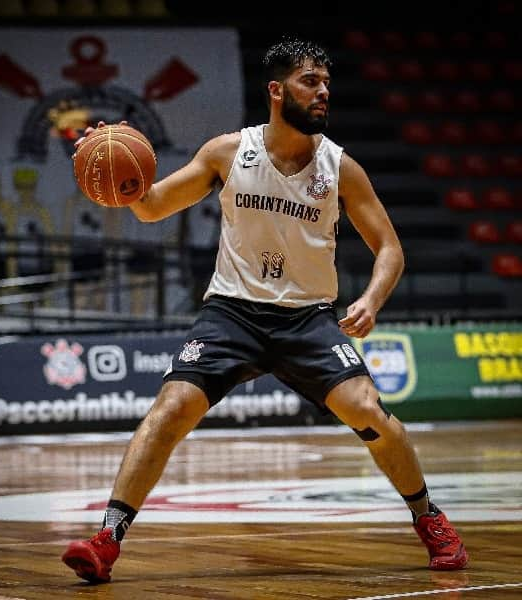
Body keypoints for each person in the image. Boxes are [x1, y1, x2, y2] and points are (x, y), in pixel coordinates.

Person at [62, 36, 468, 583]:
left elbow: (391, 248)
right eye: (310, 81)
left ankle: (430, 519)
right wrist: (119, 177)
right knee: (169, 410)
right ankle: (106, 538)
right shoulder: (228, 152)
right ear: (277, 91)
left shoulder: (341, 169)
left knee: (372, 414)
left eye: (326, 82)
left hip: (308, 318)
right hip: (232, 312)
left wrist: (371, 300)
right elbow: (153, 205)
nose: (323, 91)